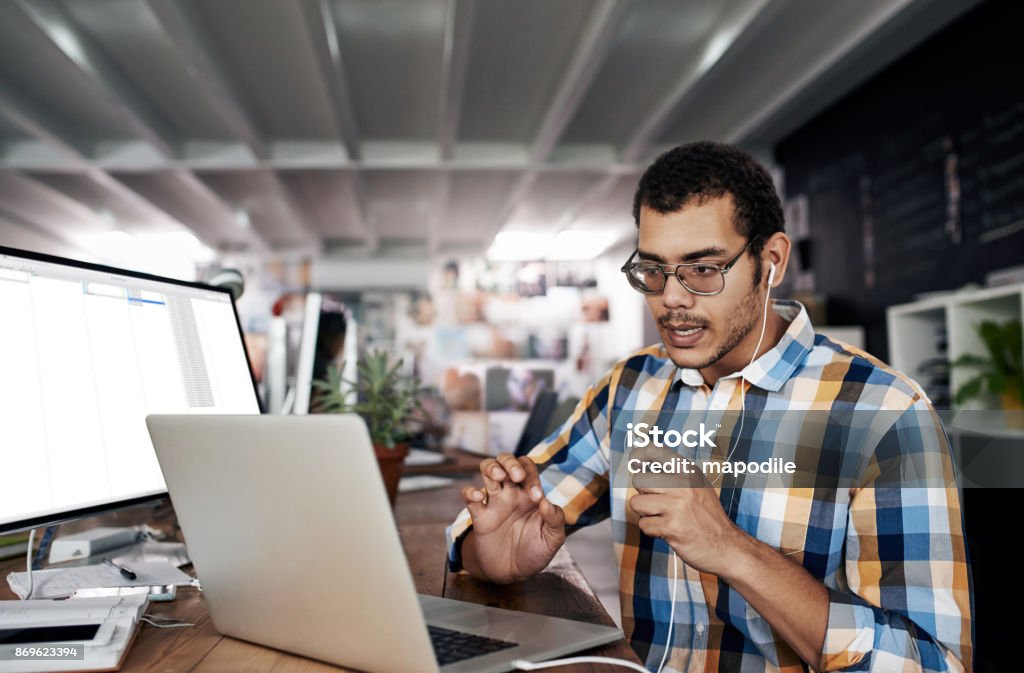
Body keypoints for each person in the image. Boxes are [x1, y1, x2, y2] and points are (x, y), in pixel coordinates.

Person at [446, 142, 972, 672]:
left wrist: (730, 548)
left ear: (772, 261)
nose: (671, 298)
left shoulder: (885, 414)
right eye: (653, 269)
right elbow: (500, 523)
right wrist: (489, 556)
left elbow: (933, 664)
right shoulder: (630, 388)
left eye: (702, 269)